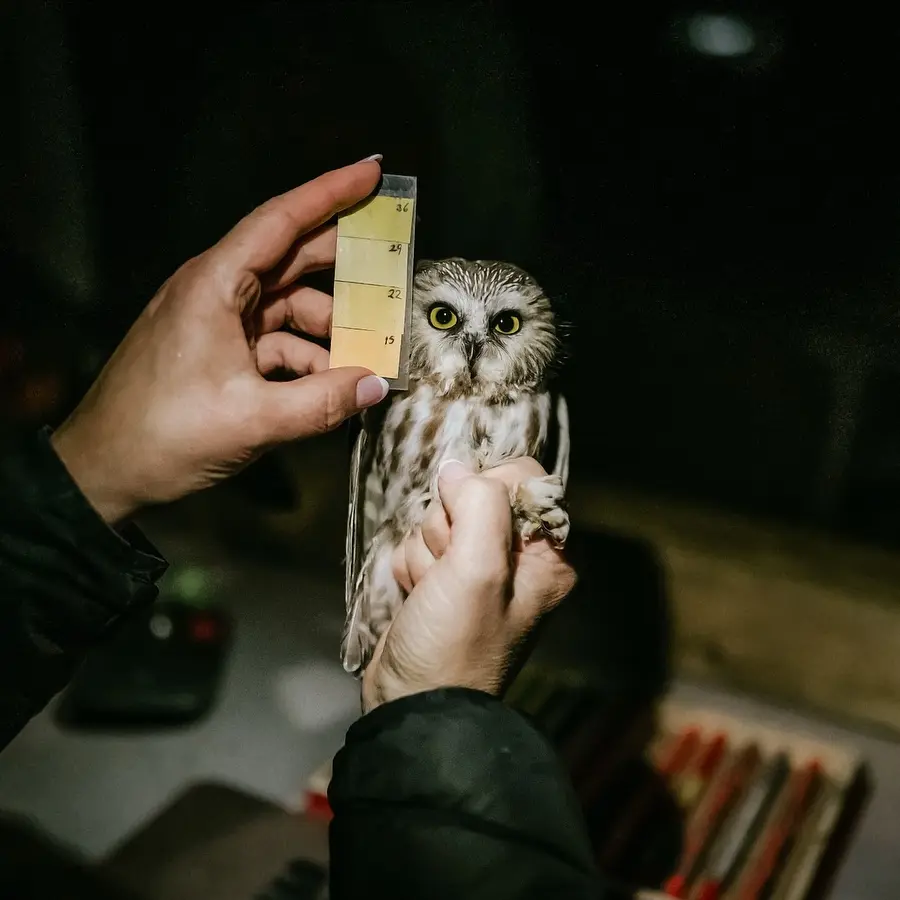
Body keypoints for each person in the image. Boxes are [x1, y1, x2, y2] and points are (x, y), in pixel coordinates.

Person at [0, 158, 624, 898]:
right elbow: (371, 506)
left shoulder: (542, 406)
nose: (472, 345)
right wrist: (427, 691)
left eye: (506, 325)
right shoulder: (399, 393)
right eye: (445, 319)